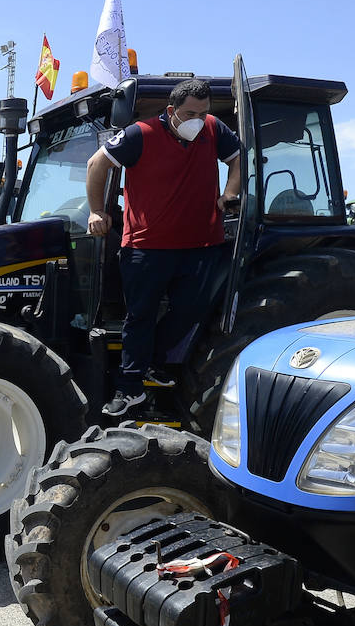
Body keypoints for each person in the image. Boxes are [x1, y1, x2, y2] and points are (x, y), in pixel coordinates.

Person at [86, 77, 242, 416]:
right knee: (139, 317)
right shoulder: (139, 134)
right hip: (146, 246)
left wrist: (229, 193)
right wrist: (98, 211)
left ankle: (153, 362)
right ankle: (130, 389)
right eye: (190, 114)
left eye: (203, 113)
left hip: (201, 245)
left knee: (192, 311)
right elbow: (96, 164)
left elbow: (238, 159)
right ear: (171, 111)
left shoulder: (213, 129)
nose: (197, 121)